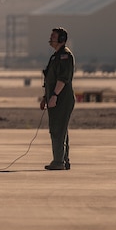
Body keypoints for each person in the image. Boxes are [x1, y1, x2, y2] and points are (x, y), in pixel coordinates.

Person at [40, 26, 75, 170]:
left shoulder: (65, 56)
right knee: (61, 129)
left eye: (54, 36)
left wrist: (54, 96)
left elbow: (63, 78)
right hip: (54, 98)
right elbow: (50, 79)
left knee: (57, 129)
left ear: (61, 39)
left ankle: (58, 161)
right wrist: (45, 97)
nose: (51, 38)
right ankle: (63, 159)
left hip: (62, 99)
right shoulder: (55, 56)